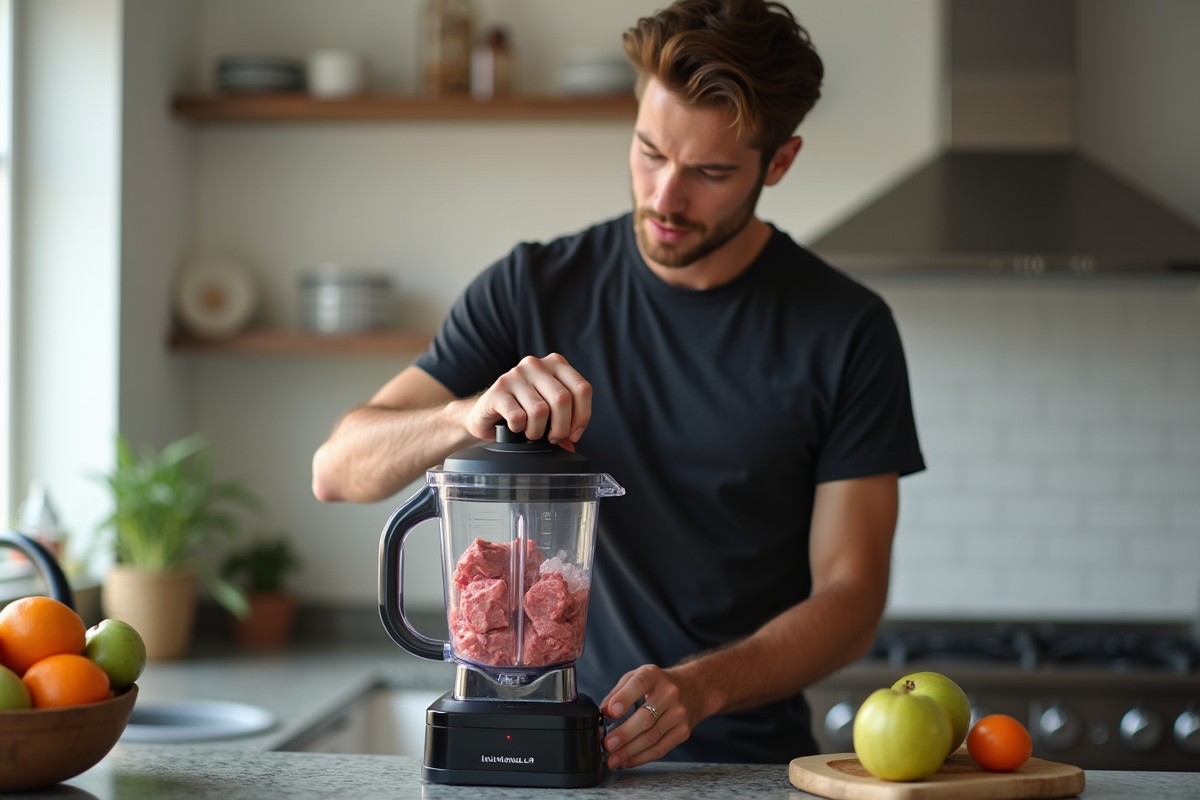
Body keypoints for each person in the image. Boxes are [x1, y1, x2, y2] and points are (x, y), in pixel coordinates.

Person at [312, 0, 924, 769]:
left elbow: (851, 600)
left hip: (738, 764)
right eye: (649, 151)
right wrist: (466, 414)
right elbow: (336, 469)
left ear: (780, 163)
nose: (667, 198)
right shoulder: (533, 287)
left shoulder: (846, 330)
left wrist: (703, 688)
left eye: (709, 172)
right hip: (528, 756)